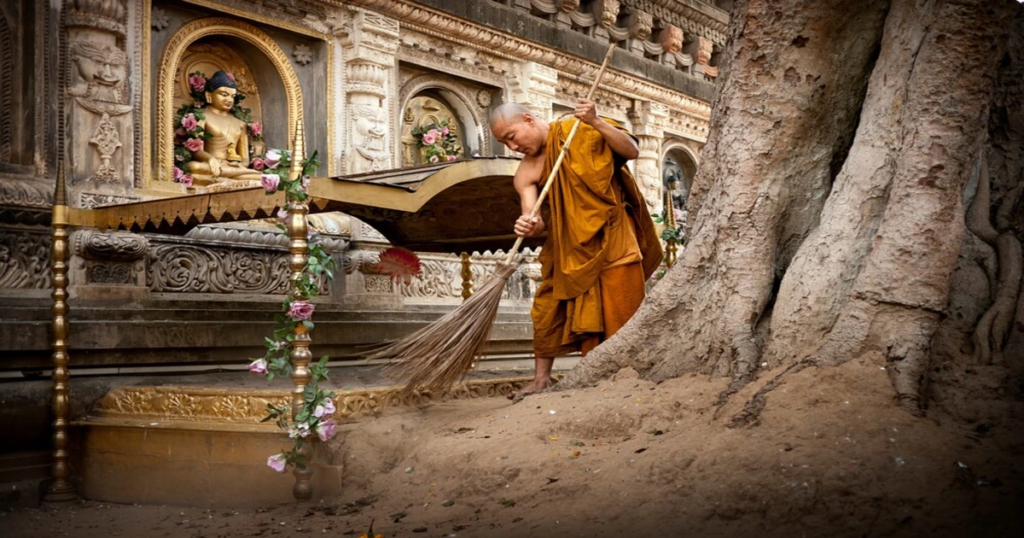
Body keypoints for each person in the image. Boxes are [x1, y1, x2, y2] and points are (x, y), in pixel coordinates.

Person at [489, 99, 663, 398]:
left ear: (529, 119)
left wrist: (596, 121)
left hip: (612, 237)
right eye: (504, 142)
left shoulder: (580, 129)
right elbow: (535, 218)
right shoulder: (525, 172)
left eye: (511, 136)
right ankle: (542, 380)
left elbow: (632, 150)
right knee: (546, 309)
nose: (511, 147)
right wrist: (529, 225)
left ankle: (631, 376)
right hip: (568, 248)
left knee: (621, 308)